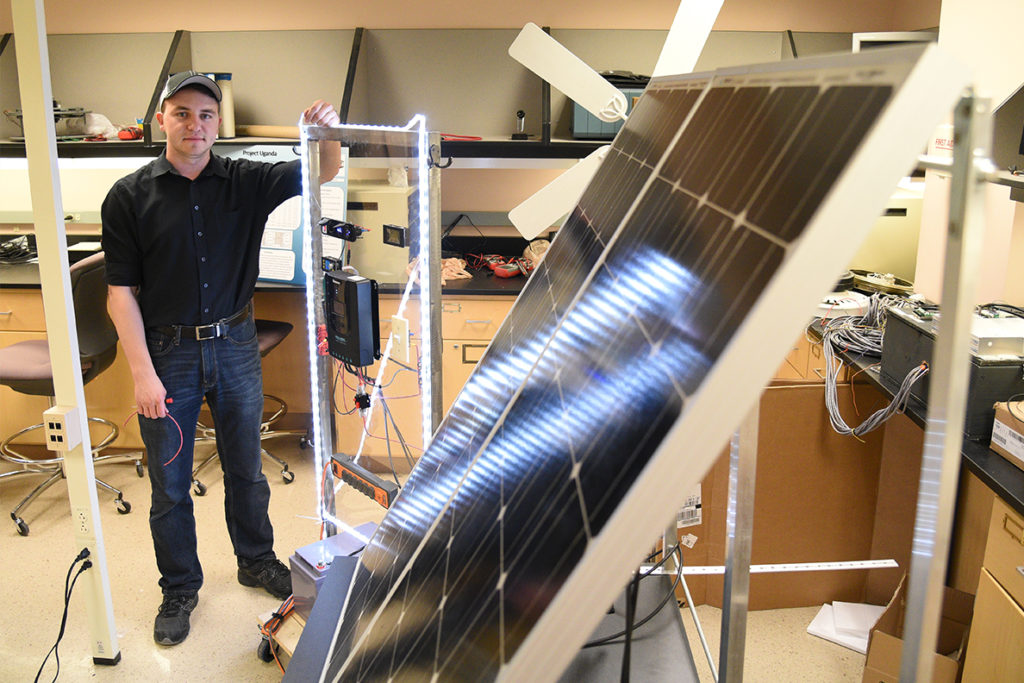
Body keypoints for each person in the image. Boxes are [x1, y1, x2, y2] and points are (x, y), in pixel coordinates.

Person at [101, 71, 341, 646]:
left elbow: (322, 171)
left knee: (246, 469)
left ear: (217, 124)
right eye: (183, 113)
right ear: (163, 118)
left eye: (206, 115)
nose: (195, 125)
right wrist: (142, 376)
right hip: (168, 353)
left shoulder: (245, 181)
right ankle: (180, 586)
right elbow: (120, 296)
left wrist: (324, 135)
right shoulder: (129, 197)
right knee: (170, 484)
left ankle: (256, 559)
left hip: (234, 344)